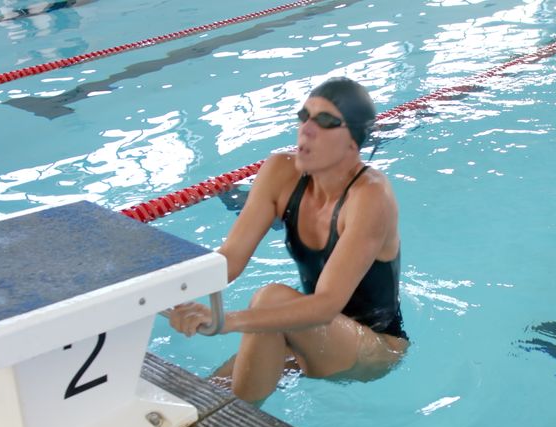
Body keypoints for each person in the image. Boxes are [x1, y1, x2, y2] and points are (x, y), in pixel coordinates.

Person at [167, 77, 408, 402]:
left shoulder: (370, 196)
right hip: (306, 330)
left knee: (270, 299)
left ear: (353, 141)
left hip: (373, 347)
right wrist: (160, 290)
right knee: (209, 394)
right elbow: (229, 260)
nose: (306, 130)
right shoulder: (280, 172)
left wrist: (226, 321)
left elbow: (325, 306)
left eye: (325, 122)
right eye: (304, 116)